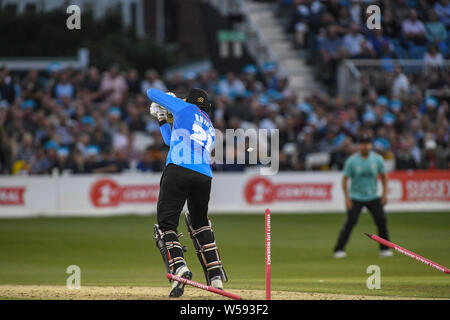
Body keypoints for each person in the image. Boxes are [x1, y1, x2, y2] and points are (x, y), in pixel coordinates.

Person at [147, 88, 227, 298]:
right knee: (200, 222)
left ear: (189, 102)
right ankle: (216, 276)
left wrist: (168, 100)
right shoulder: (209, 125)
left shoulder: (184, 107)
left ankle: (179, 267)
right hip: (203, 175)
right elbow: (169, 140)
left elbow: (151, 91)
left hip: (179, 169)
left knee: (166, 224)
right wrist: (163, 118)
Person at [333, 134, 392, 258]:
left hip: (373, 196)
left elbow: (384, 176)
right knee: (350, 222)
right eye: (363, 143)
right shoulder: (352, 161)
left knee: (381, 221)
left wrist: (385, 194)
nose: (365, 146)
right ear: (359, 145)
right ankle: (339, 249)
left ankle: (385, 248)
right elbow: (344, 180)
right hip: (356, 197)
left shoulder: (377, 159)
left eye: (368, 143)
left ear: (371, 145)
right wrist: (347, 198)